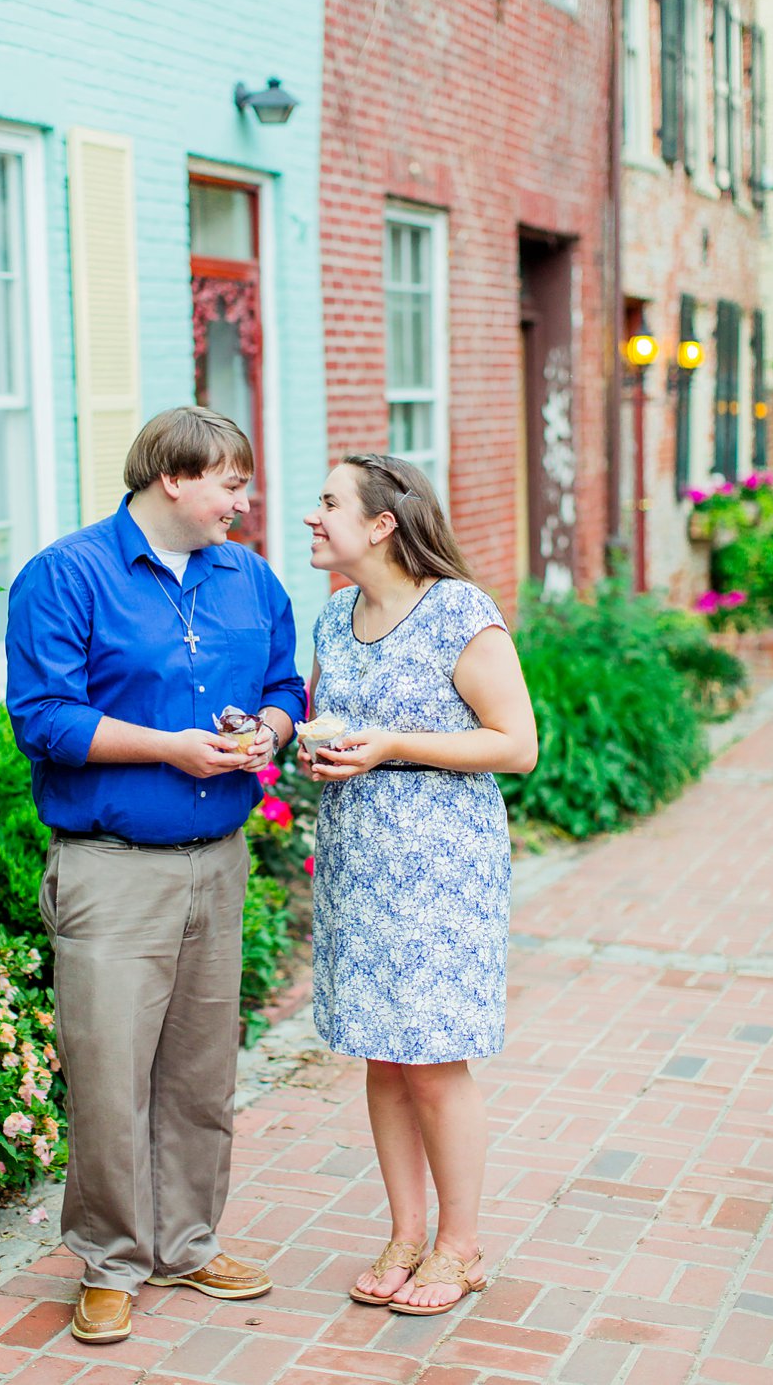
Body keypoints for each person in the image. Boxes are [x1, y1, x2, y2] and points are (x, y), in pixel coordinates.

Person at [5, 406, 305, 1345]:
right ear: (173, 477)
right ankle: (107, 1259)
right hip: (111, 869)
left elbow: (286, 687)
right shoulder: (67, 574)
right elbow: (43, 718)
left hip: (219, 863)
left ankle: (187, 1239)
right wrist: (172, 751)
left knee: (200, 1074)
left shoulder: (249, 579)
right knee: (107, 1076)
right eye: (230, 482)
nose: (243, 503)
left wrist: (270, 732)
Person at [299, 453, 537, 1316]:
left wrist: (391, 742)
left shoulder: (458, 613)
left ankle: (461, 1246)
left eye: (328, 503)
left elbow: (516, 742)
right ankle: (405, 1233)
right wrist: (319, 747)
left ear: (381, 524)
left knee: (434, 1060)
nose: (311, 516)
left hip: (442, 869)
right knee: (383, 1055)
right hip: (359, 867)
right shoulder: (332, 618)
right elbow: (341, 724)